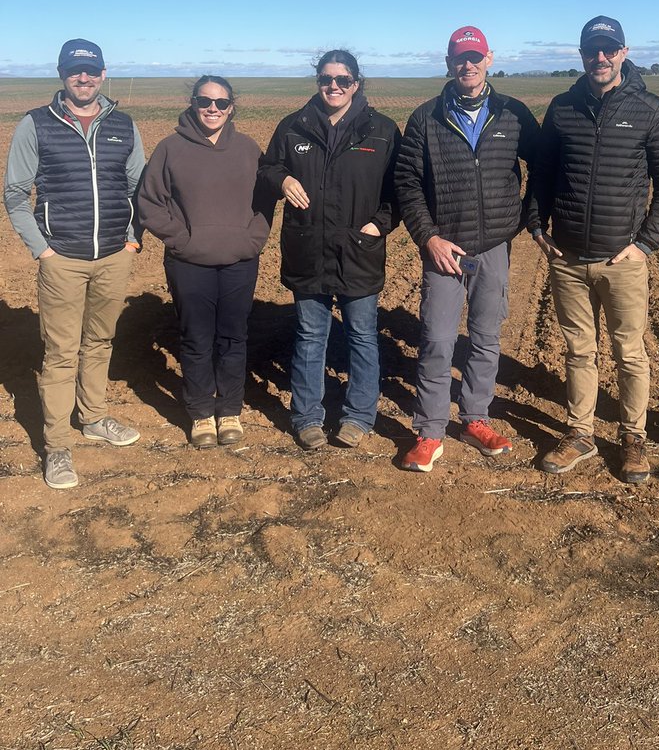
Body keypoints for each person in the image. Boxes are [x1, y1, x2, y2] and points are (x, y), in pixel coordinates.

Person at [533, 16, 659, 479]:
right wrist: (537, 227)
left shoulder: (650, 109)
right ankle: (581, 434)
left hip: (623, 259)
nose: (600, 57)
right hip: (568, 258)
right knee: (579, 350)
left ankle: (632, 436)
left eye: (608, 49)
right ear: (581, 54)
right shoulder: (562, 108)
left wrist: (646, 243)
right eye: (591, 49)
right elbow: (541, 173)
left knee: (629, 352)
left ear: (622, 52)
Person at [393, 26, 541, 472]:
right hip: (444, 247)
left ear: (489, 58)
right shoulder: (426, 118)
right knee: (437, 339)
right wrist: (428, 236)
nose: (468, 65)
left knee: (485, 337)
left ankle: (475, 418)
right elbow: (407, 182)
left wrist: (528, 217)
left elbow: (545, 166)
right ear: (448, 63)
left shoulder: (513, 114)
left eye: (475, 56)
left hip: (494, 245)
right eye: (460, 58)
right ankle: (431, 430)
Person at [3, 39, 145, 489]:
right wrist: (42, 250)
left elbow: (140, 188)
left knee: (100, 341)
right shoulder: (37, 124)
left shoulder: (123, 124)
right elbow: (15, 194)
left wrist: (132, 239)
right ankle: (58, 446)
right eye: (74, 71)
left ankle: (95, 417)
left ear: (103, 74)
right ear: (62, 75)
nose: (83, 79)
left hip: (113, 257)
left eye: (91, 71)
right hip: (61, 258)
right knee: (61, 353)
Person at [259, 51, 400, 450]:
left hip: (359, 249)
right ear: (317, 81)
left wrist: (379, 225)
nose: (333, 86)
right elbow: (267, 167)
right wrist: (283, 179)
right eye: (325, 78)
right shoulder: (293, 127)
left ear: (356, 82)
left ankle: (358, 416)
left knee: (361, 335)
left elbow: (400, 189)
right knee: (309, 335)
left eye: (342, 79)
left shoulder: (382, 130)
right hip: (308, 248)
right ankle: (307, 416)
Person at [137, 76, 271, 449]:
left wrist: (252, 240)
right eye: (205, 101)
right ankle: (200, 414)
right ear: (193, 103)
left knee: (233, 337)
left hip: (239, 261)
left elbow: (265, 203)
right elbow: (150, 202)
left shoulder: (247, 149)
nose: (213, 108)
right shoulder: (170, 148)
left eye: (221, 103)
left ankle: (228, 411)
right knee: (196, 339)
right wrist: (183, 240)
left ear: (232, 107)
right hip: (188, 263)